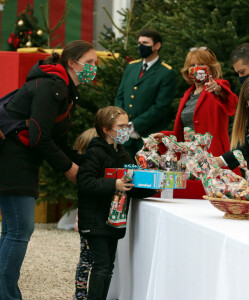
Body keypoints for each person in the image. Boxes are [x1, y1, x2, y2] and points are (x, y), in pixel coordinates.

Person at [0, 40, 98, 300]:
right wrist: (68, 167)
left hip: (19, 160)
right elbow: (39, 136)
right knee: (20, 229)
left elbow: (58, 139)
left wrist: (82, 164)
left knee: (12, 230)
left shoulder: (63, 88)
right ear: (71, 62)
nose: (93, 68)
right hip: (13, 160)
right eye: (89, 63)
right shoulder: (52, 86)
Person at [76, 106, 155, 300]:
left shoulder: (122, 152)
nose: (126, 129)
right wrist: (114, 183)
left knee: (108, 268)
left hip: (112, 221)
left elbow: (133, 180)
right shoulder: (95, 152)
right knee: (101, 267)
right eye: (121, 126)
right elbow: (85, 182)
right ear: (106, 129)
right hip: (95, 220)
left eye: (128, 125)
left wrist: (154, 186)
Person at [152, 47, 239, 199]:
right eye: (192, 65)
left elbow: (230, 101)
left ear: (211, 68)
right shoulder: (188, 94)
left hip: (214, 157)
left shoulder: (217, 87)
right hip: (190, 161)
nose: (196, 68)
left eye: (201, 64)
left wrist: (218, 89)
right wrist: (166, 137)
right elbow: (186, 133)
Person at [114, 29, 177, 158]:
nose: (140, 46)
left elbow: (161, 106)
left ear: (157, 46)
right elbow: (120, 97)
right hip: (125, 137)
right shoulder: (131, 67)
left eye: (145, 43)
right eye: (139, 43)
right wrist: (122, 123)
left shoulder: (166, 72)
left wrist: (135, 125)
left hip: (148, 137)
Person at [73, 128, 98, 300]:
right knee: (86, 259)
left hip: (88, 220)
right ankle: (80, 295)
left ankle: (80, 294)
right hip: (90, 221)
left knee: (86, 259)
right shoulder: (89, 172)